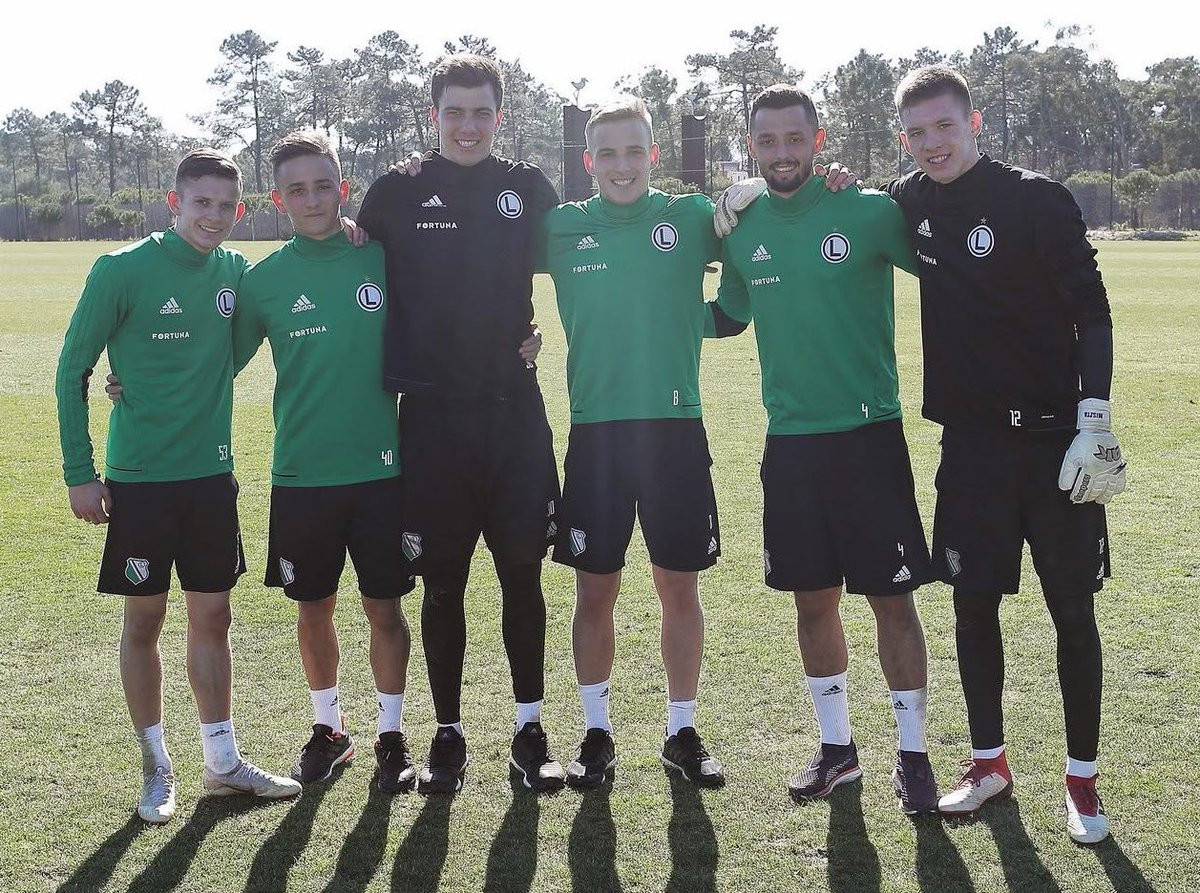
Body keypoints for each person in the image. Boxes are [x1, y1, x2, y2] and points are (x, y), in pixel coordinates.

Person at [887, 66, 1125, 843]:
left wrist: (1095, 418)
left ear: (974, 122)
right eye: (916, 133)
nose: (932, 144)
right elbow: (838, 209)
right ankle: (988, 765)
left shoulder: (1037, 199)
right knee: (971, 604)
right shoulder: (909, 201)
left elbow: (1092, 313)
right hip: (972, 447)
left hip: (1057, 445)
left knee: (1072, 612)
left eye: (943, 126)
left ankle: (1082, 780)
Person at [707, 85, 939, 814]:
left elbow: (947, 266)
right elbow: (729, 314)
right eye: (766, 140)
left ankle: (914, 755)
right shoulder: (741, 228)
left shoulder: (865, 211)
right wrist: (637, 307)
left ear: (818, 138)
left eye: (793, 138)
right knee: (813, 601)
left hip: (869, 438)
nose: (781, 153)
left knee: (892, 601)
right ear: (751, 146)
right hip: (791, 444)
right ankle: (838, 750)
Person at [54, 148, 300, 825]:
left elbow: (231, 353)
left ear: (240, 210)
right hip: (139, 480)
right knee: (144, 620)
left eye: (226, 206)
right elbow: (73, 368)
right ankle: (155, 766)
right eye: (201, 202)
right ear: (175, 202)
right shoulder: (121, 269)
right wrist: (80, 473)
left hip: (210, 477)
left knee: (214, 617)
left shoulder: (236, 272)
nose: (213, 216)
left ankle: (222, 762)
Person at [355, 54, 565, 794]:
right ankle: (447, 734)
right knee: (442, 586)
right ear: (434, 115)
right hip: (432, 423)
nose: (468, 126)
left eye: (481, 112)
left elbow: (595, 247)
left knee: (523, 579)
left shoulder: (527, 188)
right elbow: (336, 259)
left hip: (513, 418)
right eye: (454, 112)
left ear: (499, 116)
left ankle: (530, 730)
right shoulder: (396, 191)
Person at [538, 97, 725, 788]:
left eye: (634, 151)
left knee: (679, 585)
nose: (622, 164)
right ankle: (596, 732)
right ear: (588, 161)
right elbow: (478, 255)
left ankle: (682, 730)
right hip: (597, 433)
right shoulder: (560, 227)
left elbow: (762, 240)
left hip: (675, 430)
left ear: (655, 155)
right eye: (608, 153)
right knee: (596, 590)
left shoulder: (692, 217)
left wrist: (701, 318)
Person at [229, 131, 418, 792]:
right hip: (302, 474)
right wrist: (131, 378)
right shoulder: (264, 281)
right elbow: (212, 363)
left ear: (343, 186)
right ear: (277, 198)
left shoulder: (382, 259)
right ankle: (330, 729)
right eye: (296, 190)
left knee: (385, 609)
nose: (311, 200)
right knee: (313, 609)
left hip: (382, 472)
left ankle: (390, 735)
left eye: (322, 185)